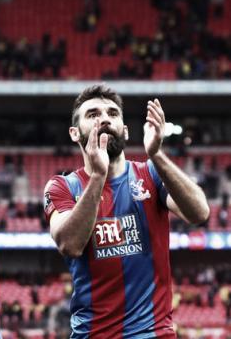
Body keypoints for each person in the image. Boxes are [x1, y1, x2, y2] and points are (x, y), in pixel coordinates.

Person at [43, 84, 209, 338]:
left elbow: (199, 213)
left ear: (126, 130)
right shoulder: (62, 186)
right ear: (75, 133)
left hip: (153, 333)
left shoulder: (151, 174)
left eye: (112, 113)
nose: (104, 119)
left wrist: (157, 155)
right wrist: (98, 176)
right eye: (93, 114)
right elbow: (70, 244)